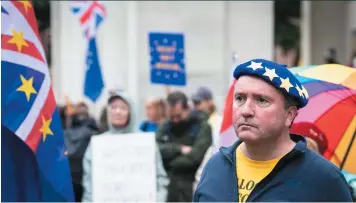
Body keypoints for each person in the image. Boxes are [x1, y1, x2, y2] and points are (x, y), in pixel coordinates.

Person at [193, 59, 353, 202]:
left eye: (262, 100)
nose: (246, 110)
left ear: (289, 115)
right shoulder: (215, 166)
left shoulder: (324, 179)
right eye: (240, 98)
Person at [82, 90, 169, 202]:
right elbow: (89, 182)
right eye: (113, 107)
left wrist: (158, 200)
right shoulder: (98, 145)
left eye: (123, 108)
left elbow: (160, 179)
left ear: (130, 112)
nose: (117, 112)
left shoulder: (145, 143)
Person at [156, 91, 212, 202]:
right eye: (171, 117)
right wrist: (179, 149)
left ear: (188, 109)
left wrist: (169, 160)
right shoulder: (166, 126)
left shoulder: (202, 126)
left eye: (178, 116)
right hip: (169, 188)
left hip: (193, 187)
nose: (175, 120)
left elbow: (196, 156)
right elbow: (156, 150)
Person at [191, 87, 223, 190]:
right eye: (194, 103)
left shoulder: (219, 123)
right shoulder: (194, 122)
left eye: (198, 102)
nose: (195, 106)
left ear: (209, 102)